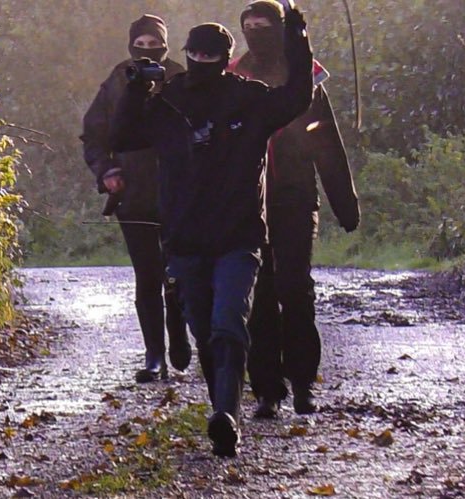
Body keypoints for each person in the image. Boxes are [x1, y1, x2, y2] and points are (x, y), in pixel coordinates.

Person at [111, 7, 314, 458]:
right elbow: (122, 137)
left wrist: (297, 38)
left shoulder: (249, 99)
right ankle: (223, 407)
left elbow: (299, 95)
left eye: (209, 54)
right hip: (185, 241)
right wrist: (136, 89)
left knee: (228, 325)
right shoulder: (169, 103)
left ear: (225, 57)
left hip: (239, 239)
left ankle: (226, 416)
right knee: (206, 332)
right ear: (188, 54)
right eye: (196, 54)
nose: (201, 60)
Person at [229, 1, 361, 419]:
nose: (255, 31)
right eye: (249, 25)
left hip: (295, 197)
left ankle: (303, 382)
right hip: (248, 202)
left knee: (295, 288)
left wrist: (345, 203)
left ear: (280, 28)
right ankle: (267, 389)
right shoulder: (232, 77)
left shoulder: (306, 81)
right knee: (260, 295)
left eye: (264, 25)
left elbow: (327, 144)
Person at [80, 15, 190, 383]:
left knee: (178, 272)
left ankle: (178, 333)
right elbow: (93, 134)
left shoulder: (181, 78)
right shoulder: (118, 79)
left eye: (154, 45)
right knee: (147, 275)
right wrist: (107, 170)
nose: (147, 51)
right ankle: (154, 354)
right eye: (140, 45)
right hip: (133, 194)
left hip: (179, 193)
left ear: (165, 45)